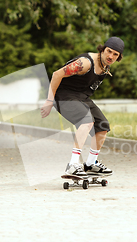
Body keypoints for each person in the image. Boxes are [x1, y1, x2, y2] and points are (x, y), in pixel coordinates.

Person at [40, 37, 124, 177]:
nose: (111, 56)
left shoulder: (105, 66)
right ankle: (73, 164)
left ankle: (91, 164)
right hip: (63, 96)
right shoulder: (85, 63)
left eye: (115, 54)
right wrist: (49, 101)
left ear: (119, 57)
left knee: (102, 126)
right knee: (86, 121)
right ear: (102, 49)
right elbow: (57, 74)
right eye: (109, 51)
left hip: (81, 97)